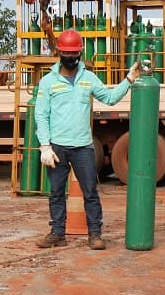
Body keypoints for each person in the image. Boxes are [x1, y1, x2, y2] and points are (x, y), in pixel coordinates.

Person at [34, 29, 140, 250]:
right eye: (67, 54)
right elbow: (41, 115)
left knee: (90, 191)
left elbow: (110, 98)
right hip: (57, 147)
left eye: (74, 54)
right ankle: (57, 233)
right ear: (59, 53)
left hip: (83, 146)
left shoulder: (88, 78)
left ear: (80, 53)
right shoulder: (48, 82)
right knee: (55, 192)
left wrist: (129, 79)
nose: (71, 58)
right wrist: (45, 145)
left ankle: (95, 234)